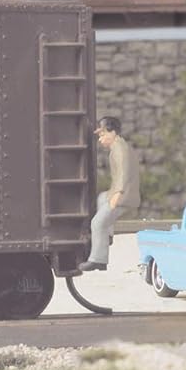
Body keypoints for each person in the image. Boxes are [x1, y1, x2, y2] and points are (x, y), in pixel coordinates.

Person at [79, 116, 140, 271]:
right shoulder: (118, 146)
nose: (100, 139)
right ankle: (107, 236)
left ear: (112, 132)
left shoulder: (120, 150)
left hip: (124, 196)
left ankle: (98, 260)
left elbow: (123, 174)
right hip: (121, 192)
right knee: (101, 198)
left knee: (97, 223)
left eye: (102, 134)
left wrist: (117, 195)